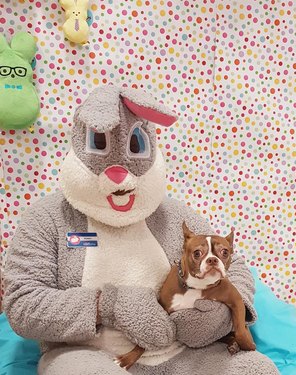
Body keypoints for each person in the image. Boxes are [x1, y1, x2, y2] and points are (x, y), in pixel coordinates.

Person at [4, 85, 279, 375]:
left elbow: (233, 263)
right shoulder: (47, 218)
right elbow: (23, 305)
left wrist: (221, 315)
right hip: (89, 353)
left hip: (180, 353)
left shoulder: (174, 215)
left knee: (255, 369)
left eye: (135, 148)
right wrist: (108, 304)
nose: (121, 176)